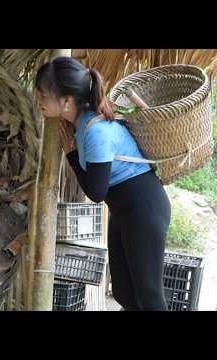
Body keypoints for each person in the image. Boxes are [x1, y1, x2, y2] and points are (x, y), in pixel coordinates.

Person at [35, 56, 171, 311]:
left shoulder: (95, 132)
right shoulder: (82, 121)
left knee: (150, 297)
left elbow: (96, 192)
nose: (39, 101)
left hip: (144, 209)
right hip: (125, 210)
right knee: (123, 293)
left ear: (66, 101)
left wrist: (71, 154)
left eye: (43, 95)